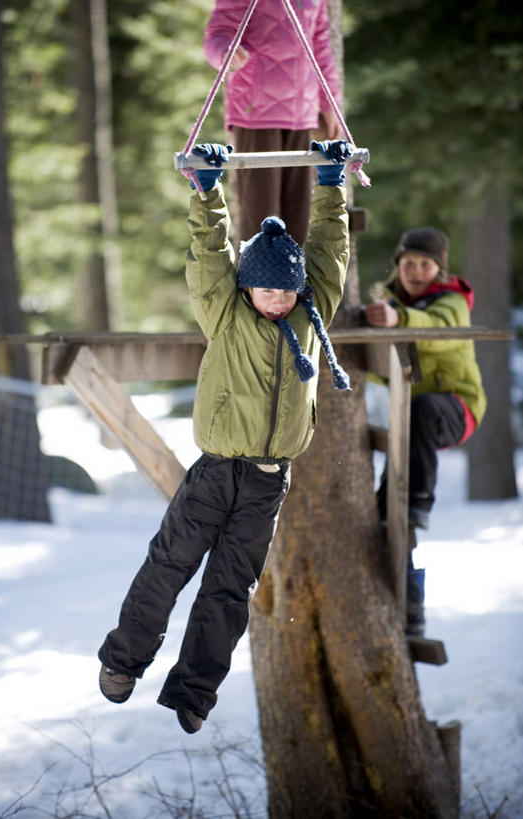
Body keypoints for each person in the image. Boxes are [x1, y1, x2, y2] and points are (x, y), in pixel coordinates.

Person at [98, 139, 352, 733]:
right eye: (266, 289)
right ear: (246, 288)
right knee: (169, 567)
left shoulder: (312, 312)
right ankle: (123, 660)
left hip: (268, 481)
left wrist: (331, 184)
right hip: (216, 472)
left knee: (228, 590)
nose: (277, 298)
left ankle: (193, 691)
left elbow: (330, 250)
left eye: (286, 290)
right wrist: (206, 192)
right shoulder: (224, 311)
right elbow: (209, 253)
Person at [364, 227, 487, 634]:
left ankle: (418, 501)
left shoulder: (451, 302)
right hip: (409, 417)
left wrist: (398, 320)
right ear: (398, 265)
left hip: (455, 405)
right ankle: (409, 605)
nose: (416, 271)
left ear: (439, 269)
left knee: (423, 411)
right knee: (383, 514)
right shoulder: (388, 301)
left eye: (425, 264)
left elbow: (438, 329)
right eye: (409, 263)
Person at [203, 0, 342, 246]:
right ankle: (256, 283)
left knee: (299, 216)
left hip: (302, 115)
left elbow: (319, 45)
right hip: (256, 113)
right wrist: (225, 52)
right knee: (261, 216)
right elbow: (219, 32)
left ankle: (294, 284)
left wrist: (329, 101)